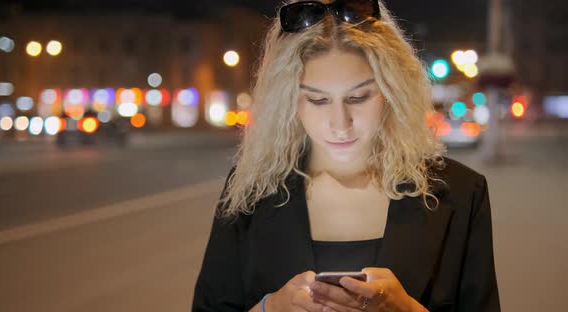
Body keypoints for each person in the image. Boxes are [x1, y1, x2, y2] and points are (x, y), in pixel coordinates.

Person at [192, 0, 501, 311]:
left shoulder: (461, 193)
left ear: (391, 90)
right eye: (317, 100)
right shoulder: (252, 190)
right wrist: (268, 309)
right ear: (288, 100)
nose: (340, 124)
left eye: (358, 97)